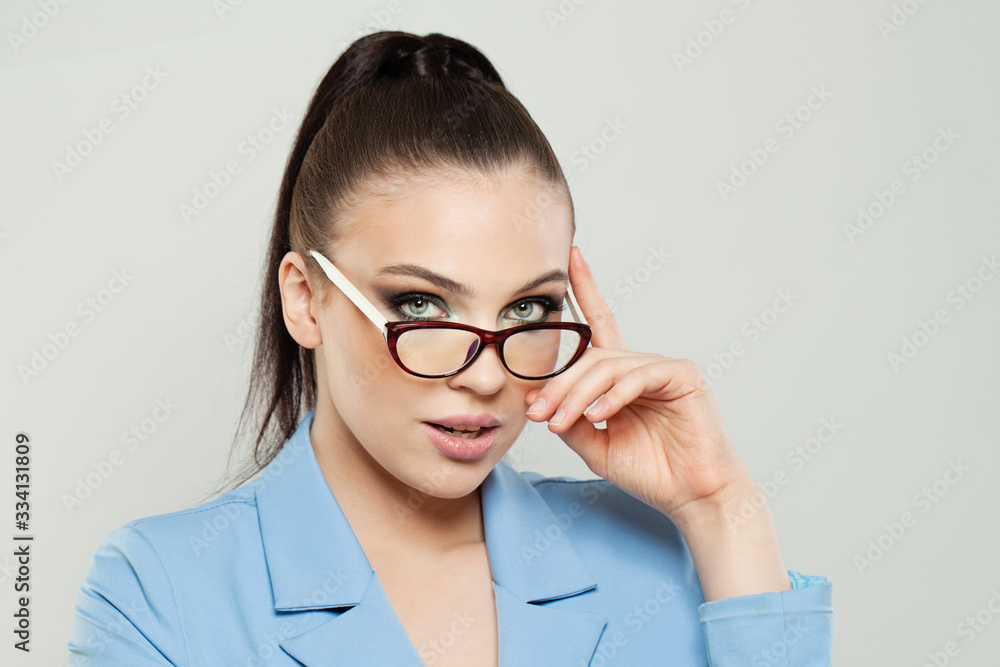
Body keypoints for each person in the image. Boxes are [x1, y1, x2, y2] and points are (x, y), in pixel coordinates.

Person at [68, 30, 832, 666]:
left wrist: (722, 509)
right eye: (422, 303)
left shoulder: (656, 553)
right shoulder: (157, 593)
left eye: (529, 307)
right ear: (306, 298)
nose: (489, 373)